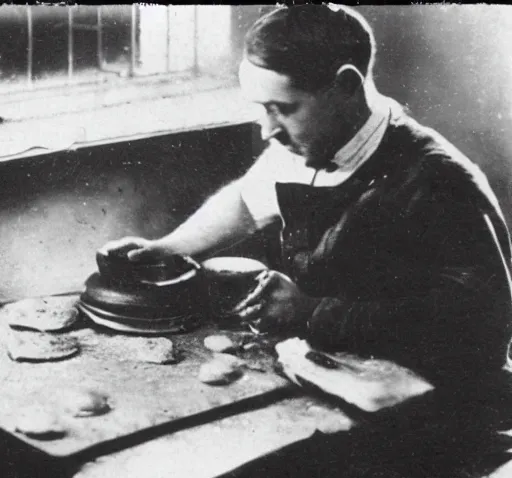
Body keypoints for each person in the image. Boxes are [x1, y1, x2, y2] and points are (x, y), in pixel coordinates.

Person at [100, 4, 512, 387]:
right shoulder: (313, 141)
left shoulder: (438, 179)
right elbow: (246, 201)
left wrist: (313, 311)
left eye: (283, 108)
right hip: (344, 370)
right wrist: (166, 248)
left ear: (346, 86)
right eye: (261, 108)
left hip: (437, 395)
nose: (267, 130)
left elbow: (483, 325)